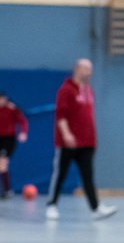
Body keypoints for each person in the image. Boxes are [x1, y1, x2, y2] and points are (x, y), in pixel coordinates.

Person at [45, 58, 116, 221]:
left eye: (91, 69)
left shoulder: (88, 90)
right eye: (86, 68)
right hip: (68, 142)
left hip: (87, 142)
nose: (89, 72)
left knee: (88, 176)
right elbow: (61, 116)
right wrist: (66, 134)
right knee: (60, 174)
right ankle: (52, 204)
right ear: (77, 69)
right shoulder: (66, 90)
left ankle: (95, 207)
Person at [0, 90, 28, 199]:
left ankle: (7, 190)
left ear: (6, 99)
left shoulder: (12, 108)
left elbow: (23, 121)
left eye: (1, 98)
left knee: (1, 163)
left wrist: (23, 133)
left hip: (9, 139)